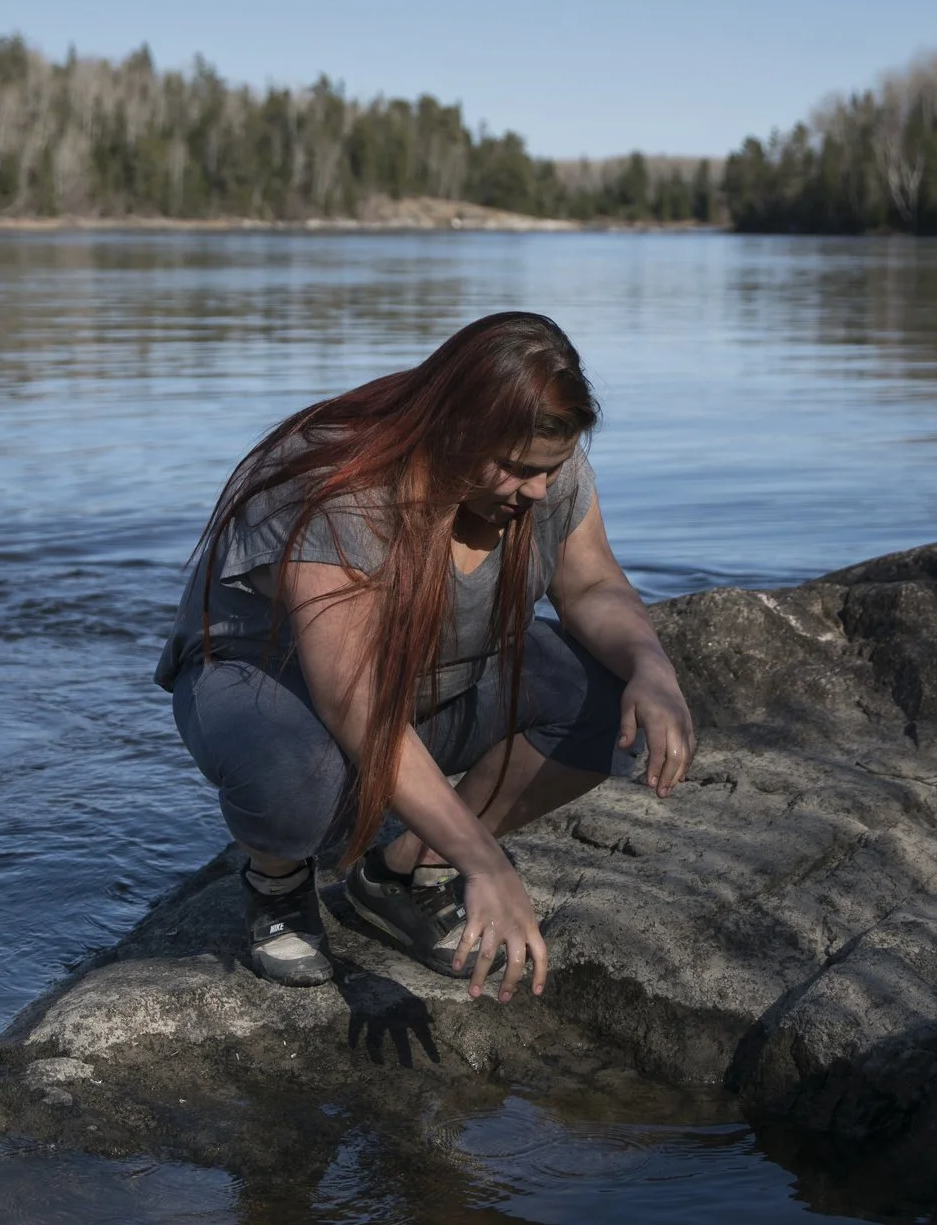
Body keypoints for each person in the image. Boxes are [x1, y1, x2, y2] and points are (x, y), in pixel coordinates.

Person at [155, 312, 696, 1000]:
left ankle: (406, 872)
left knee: (607, 701)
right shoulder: (341, 487)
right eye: (518, 470)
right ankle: (278, 881)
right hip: (272, 681)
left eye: (550, 470)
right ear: (455, 429)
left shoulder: (539, 464)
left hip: (426, 677)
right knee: (297, 775)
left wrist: (653, 670)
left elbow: (590, 584)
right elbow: (355, 702)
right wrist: (488, 864)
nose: (537, 490)